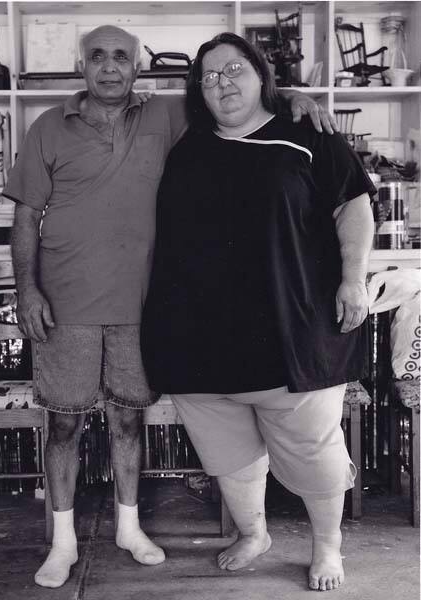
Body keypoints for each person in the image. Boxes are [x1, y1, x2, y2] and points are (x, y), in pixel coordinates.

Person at [4, 24, 337, 589]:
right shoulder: (46, 128)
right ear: (80, 66)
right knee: (62, 424)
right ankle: (61, 543)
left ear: (139, 67)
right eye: (97, 57)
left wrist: (292, 100)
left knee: (129, 419)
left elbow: (239, 103)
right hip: (65, 303)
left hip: (144, 304)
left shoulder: (169, 116)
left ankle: (129, 529)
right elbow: (24, 218)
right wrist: (27, 290)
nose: (109, 67)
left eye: (121, 58)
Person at [141, 32, 375, 592]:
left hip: (291, 330)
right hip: (200, 338)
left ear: (261, 74)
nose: (222, 82)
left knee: (314, 449)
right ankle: (253, 533)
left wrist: (353, 279)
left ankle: (327, 548)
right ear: (196, 89)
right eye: (209, 75)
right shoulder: (188, 143)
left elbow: (354, 206)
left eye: (234, 69)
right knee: (228, 452)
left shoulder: (305, 132)